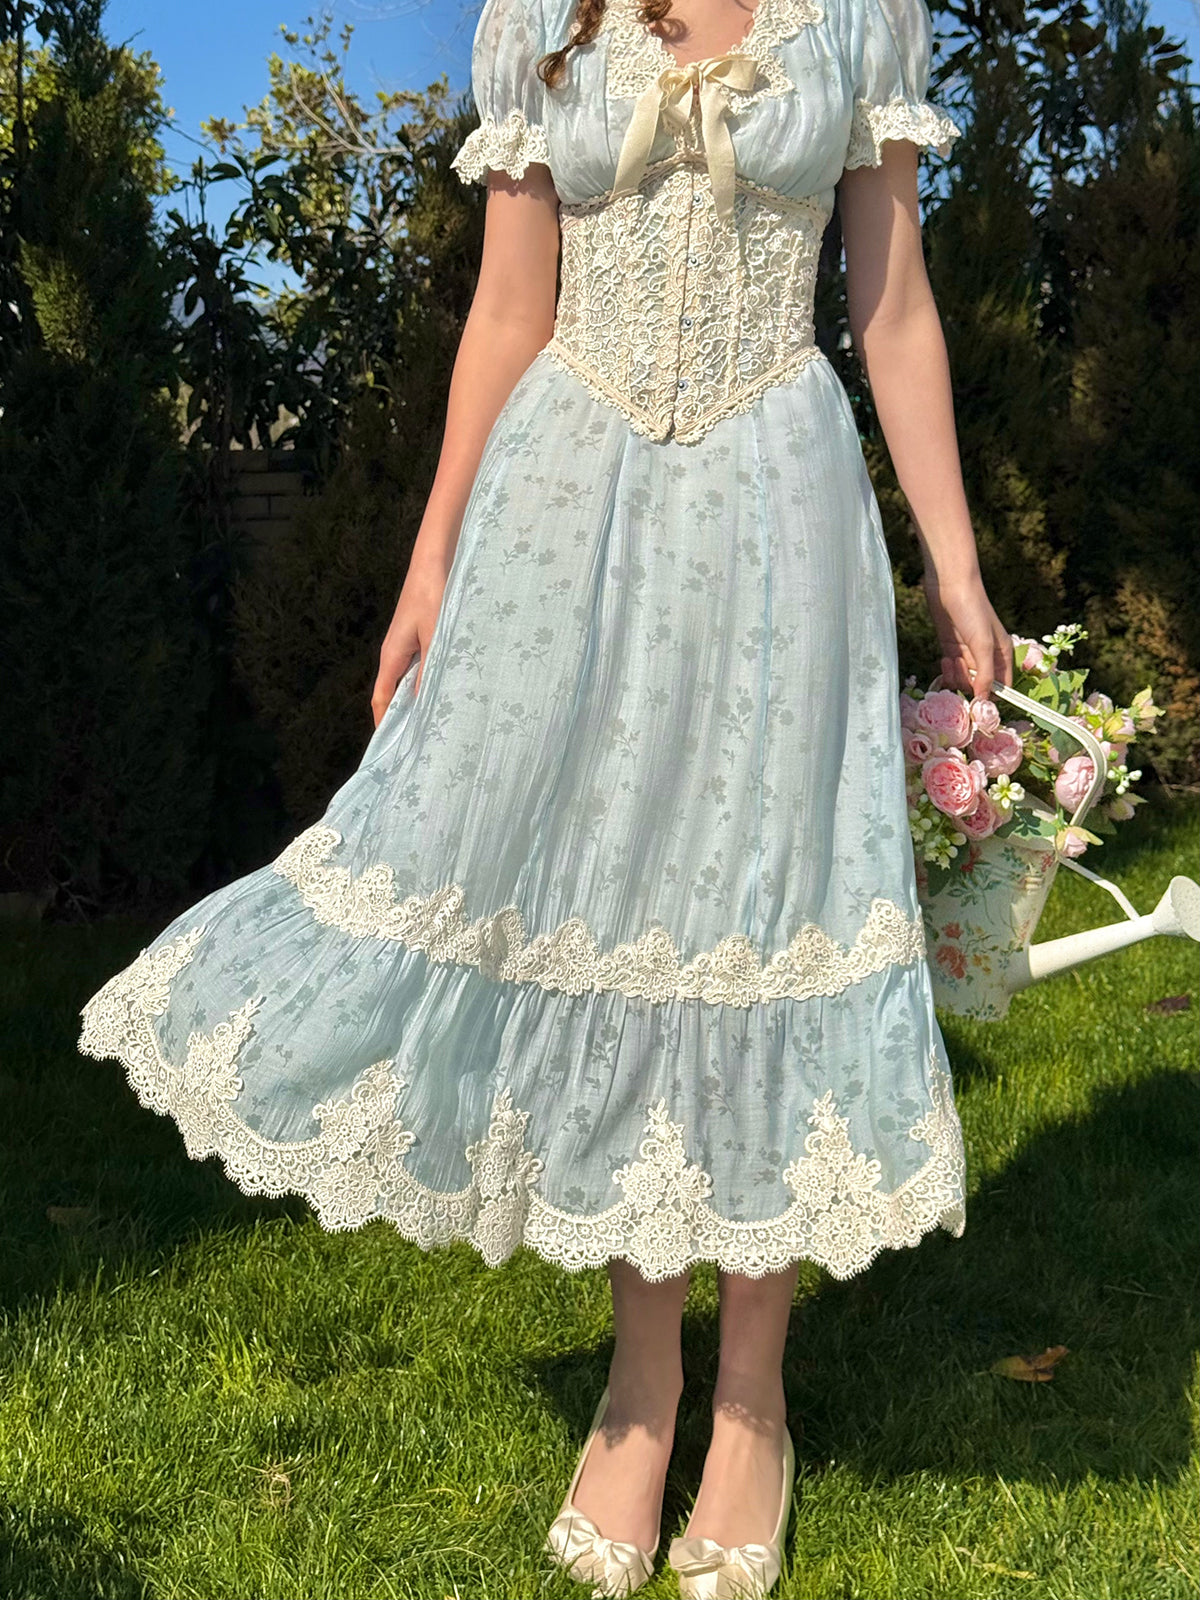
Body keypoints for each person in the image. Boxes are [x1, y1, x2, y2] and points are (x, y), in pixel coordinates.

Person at [79, 0, 1013, 1592]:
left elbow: (895, 299)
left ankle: (753, 1407)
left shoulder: (864, 14)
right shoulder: (537, 16)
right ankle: (642, 1391)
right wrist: (432, 557)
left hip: (778, 507)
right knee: (606, 911)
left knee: (767, 906)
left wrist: (958, 566)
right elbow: (511, 305)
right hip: (569, 505)